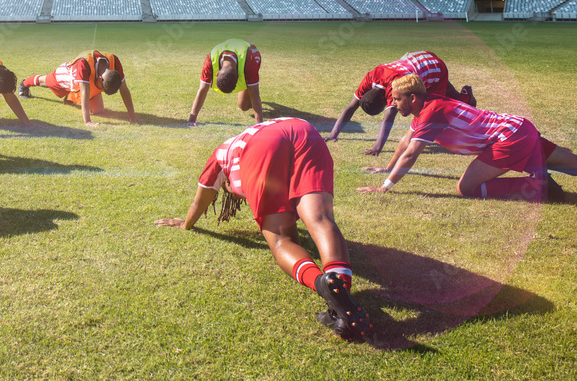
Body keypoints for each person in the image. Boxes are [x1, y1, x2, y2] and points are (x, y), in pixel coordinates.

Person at [156, 117, 372, 342]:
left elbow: (199, 202)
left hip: (261, 147)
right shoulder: (243, 138)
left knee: (281, 239)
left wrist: (186, 224)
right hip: (305, 130)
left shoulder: (220, 155)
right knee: (321, 220)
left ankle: (323, 286)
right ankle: (344, 302)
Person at [357, 74, 576, 202]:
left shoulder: (431, 113)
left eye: (396, 99)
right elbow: (406, 141)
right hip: (519, 126)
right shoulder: (427, 106)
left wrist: (384, 187)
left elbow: (412, 153)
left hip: (508, 139)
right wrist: (387, 167)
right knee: (570, 163)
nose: (394, 104)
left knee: (467, 188)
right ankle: (540, 179)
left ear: (412, 98)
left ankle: (539, 186)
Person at [327, 51, 475, 156]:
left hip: (434, 68)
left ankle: (468, 110)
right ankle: (466, 98)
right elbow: (351, 106)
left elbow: (388, 119)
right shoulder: (371, 77)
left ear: (383, 100)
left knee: (436, 107)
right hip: (418, 57)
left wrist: (377, 148)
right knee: (448, 95)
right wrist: (334, 133)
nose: (390, 106)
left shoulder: (395, 86)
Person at [18, 50, 138, 126]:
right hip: (67, 77)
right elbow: (85, 93)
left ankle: (70, 97)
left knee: (98, 111)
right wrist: (87, 121)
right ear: (101, 79)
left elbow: (124, 89)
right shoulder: (84, 64)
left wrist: (132, 115)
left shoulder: (115, 62)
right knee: (44, 81)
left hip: (86, 85)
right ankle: (24, 84)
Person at [187, 39, 263, 126]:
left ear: (240, 77)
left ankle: (247, 89)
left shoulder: (250, 61)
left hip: (251, 53)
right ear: (217, 73)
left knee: (244, 106)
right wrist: (192, 120)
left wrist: (259, 125)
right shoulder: (210, 60)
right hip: (238, 53)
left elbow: (255, 94)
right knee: (245, 104)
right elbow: (202, 89)